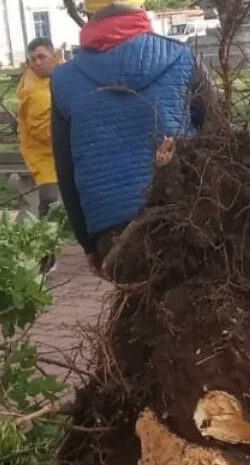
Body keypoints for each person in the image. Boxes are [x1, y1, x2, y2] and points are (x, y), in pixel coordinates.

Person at [51, 0, 207, 277]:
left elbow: (65, 168)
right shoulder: (182, 58)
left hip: (113, 229)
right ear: (140, 11)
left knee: (140, 312)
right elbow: (217, 136)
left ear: (89, 15)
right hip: (186, 215)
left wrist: (87, 242)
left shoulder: (63, 79)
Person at [11, 37, 62, 272]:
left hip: (62, 152)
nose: (37, 63)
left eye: (42, 56)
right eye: (33, 59)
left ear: (54, 54)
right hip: (45, 156)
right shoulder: (35, 92)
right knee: (51, 203)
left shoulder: (60, 76)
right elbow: (44, 132)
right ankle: (45, 255)